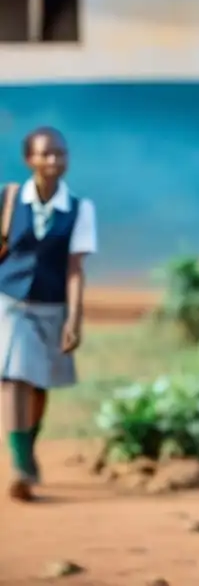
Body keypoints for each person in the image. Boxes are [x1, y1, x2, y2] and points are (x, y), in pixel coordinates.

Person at [0, 127, 97, 502]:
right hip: (9, 301)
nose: (54, 160)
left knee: (39, 384)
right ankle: (19, 465)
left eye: (60, 153)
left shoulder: (78, 209)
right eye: (45, 154)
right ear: (30, 160)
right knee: (15, 376)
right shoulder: (7, 200)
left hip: (52, 305)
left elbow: (75, 268)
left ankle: (28, 449)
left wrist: (74, 318)